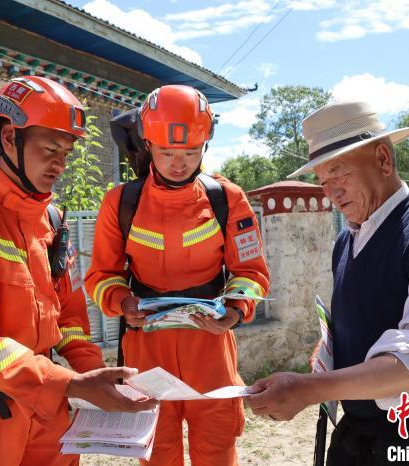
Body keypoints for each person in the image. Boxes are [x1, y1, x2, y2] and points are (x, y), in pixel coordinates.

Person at [247, 101, 409, 465]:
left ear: (383, 160)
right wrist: (333, 349)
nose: (331, 193)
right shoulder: (347, 240)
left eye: (339, 174)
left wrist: (309, 389)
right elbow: (369, 316)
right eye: (323, 182)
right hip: (366, 440)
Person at [0, 76, 156, 466]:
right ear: (9, 138)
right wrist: (70, 383)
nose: (59, 164)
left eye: (66, 152)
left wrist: (99, 376)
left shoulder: (53, 222)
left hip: (49, 414)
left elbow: (70, 320)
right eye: (49, 149)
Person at [85, 84, 270, 466]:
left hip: (210, 344)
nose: (179, 163)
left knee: (218, 446)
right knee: (156, 450)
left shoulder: (227, 198)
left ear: (206, 145)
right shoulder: (121, 203)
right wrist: (123, 302)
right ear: (148, 145)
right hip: (146, 346)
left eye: (190, 152)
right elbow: (101, 274)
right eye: (167, 152)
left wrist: (234, 311)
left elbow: (250, 273)